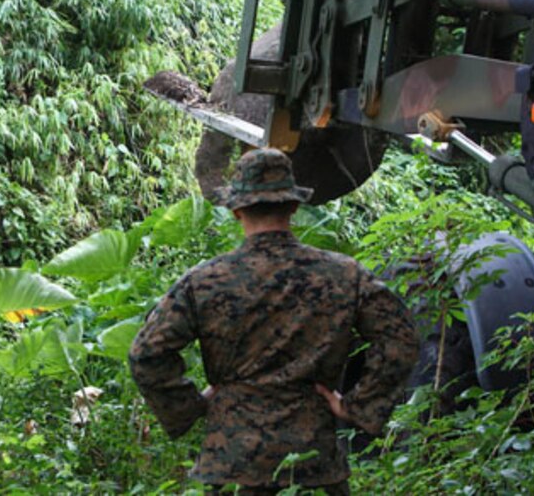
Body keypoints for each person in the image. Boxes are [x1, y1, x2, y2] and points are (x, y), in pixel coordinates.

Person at [129, 148, 417, 494]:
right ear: (294, 206)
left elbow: (147, 353)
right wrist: (357, 406)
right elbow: (400, 338)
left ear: (236, 210)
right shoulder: (344, 274)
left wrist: (193, 406)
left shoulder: (203, 281)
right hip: (313, 462)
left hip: (233, 460)